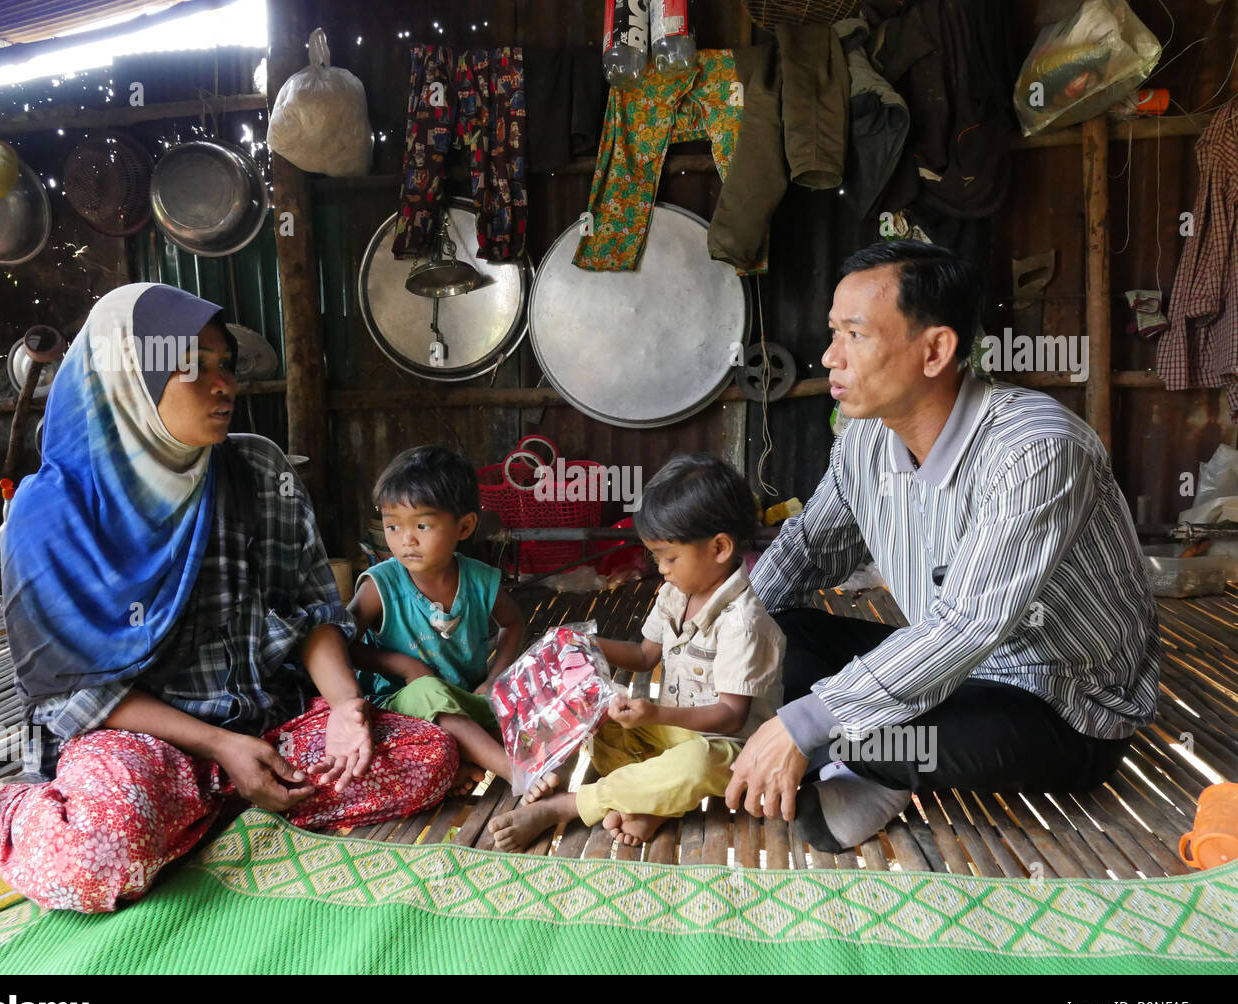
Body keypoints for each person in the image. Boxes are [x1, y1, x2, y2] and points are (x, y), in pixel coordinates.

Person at [0, 283, 458, 913]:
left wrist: (346, 707)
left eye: (225, 366)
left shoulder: (258, 470)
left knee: (429, 756)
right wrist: (220, 748)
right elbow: (72, 688)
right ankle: (6, 806)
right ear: (128, 378)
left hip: (268, 723)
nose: (223, 386)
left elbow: (314, 611)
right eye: (193, 367)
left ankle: (202, 803)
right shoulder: (50, 514)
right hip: (136, 742)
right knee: (88, 861)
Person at [727, 240, 1160, 851]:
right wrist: (713, 640)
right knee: (773, 635)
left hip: (1054, 707)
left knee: (845, 731)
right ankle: (851, 758)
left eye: (855, 334)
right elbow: (805, 551)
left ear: (935, 350)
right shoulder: (864, 443)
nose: (830, 357)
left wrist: (800, 723)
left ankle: (862, 765)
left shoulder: (1033, 448)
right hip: (939, 674)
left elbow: (966, 628)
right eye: (833, 332)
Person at [490, 454, 785, 852]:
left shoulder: (742, 623)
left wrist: (656, 713)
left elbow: (732, 718)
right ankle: (649, 802)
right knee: (601, 719)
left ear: (719, 548)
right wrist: (584, 644)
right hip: (672, 733)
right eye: (656, 557)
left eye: (669, 557)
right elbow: (645, 655)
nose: (659, 568)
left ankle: (569, 806)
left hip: (728, 749)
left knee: (695, 765)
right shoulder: (674, 594)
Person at [348, 446, 525, 796]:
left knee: (527, 693)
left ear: (465, 527)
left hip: (465, 699)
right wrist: (403, 665)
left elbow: (515, 624)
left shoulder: (478, 580)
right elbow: (340, 643)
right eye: (393, 525)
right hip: (398, 710)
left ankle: (465, 756)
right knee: (428, 692)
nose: (406, 539)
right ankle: (515, 772)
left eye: (422, 525)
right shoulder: (379, 586)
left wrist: (493, 680)